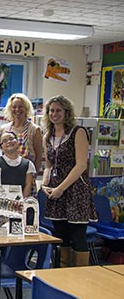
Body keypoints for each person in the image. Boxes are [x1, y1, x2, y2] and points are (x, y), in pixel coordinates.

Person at [41, 95, 97, 267]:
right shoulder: (47, 136)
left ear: (67, 112)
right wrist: (45, 183)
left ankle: (81, 277)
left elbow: (81, 165)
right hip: (56, 189)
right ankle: (63, 274)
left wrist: (61, 188)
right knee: (61, 235)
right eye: (51, 110)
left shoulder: (78, 132)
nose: (54, 114)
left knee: (77, 235)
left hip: (75, 190)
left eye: (58, 110)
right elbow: (49, 165)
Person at [0, 93, 43, 174]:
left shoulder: (34, 129)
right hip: (8, 173)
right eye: (14, 107)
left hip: (27, 174)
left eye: (20, 107)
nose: (17, 109)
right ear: (10, 109)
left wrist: (34, 175)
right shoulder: (4, 129)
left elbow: (38, 156)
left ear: (26, 108)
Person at [0, 131, 36, 197]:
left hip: (20, 203)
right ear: (1, 147)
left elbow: (28, 186)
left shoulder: (28, 164)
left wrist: (21, 202)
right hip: (0, 202)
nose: (9, 142)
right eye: (4, 141)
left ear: (17, 142)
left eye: (11, 139)